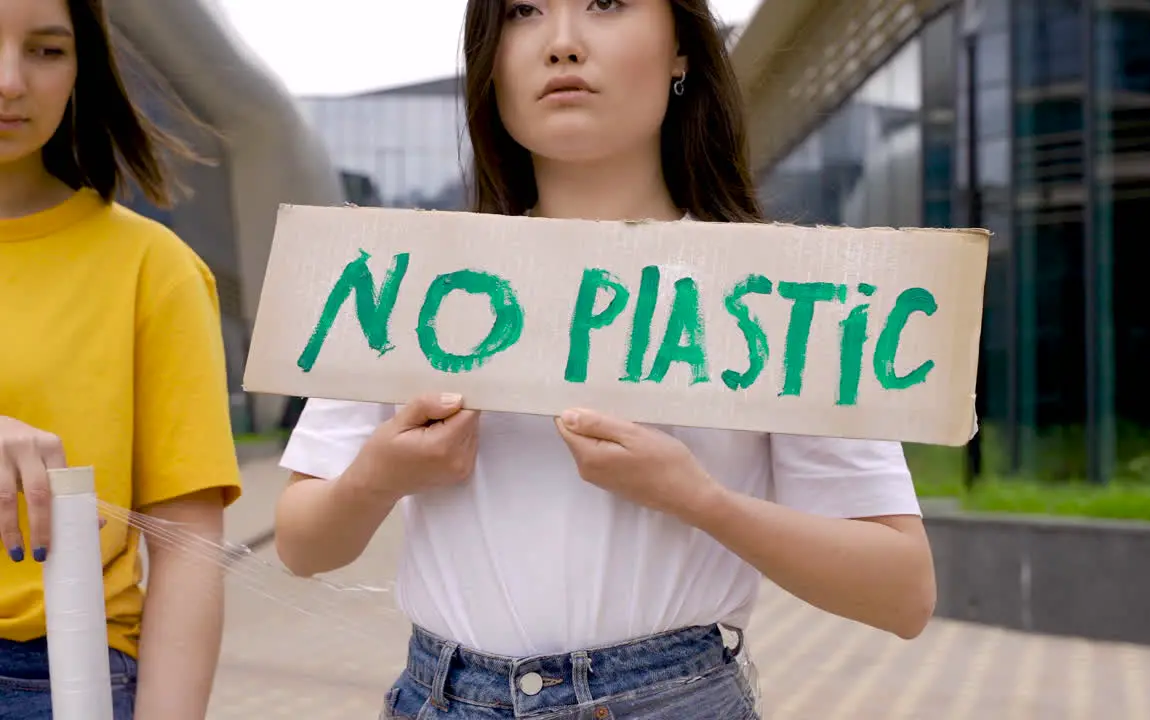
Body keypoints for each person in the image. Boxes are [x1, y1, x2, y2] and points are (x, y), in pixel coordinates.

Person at [275, 1, 936, 718]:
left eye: (607, 3)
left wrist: (697, 500)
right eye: (525, 11)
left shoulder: (777, 290)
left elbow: (901, 590)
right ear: (489, 61)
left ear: (682, 49)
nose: (562, 44)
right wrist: (379, 477)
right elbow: (301, 544)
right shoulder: (410, 281)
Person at [0, 1, 242, 718]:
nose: (10, 81)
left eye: (47, 51)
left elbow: (186, 542)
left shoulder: (151, 267)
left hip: (58, 678)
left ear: (84, 69)